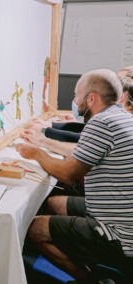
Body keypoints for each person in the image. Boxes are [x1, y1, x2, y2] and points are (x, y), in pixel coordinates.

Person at [16, 69, 133, 281]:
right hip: (114, 209)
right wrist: (41, 141)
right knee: (53, 203)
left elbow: (67, 174)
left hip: (119, 233)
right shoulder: (120, 117)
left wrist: (35, 153)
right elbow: (80, 151)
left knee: (34, 228)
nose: (74, 100)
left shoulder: (101, 123)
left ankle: (91, 280)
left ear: (91, 98)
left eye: (76, 95)